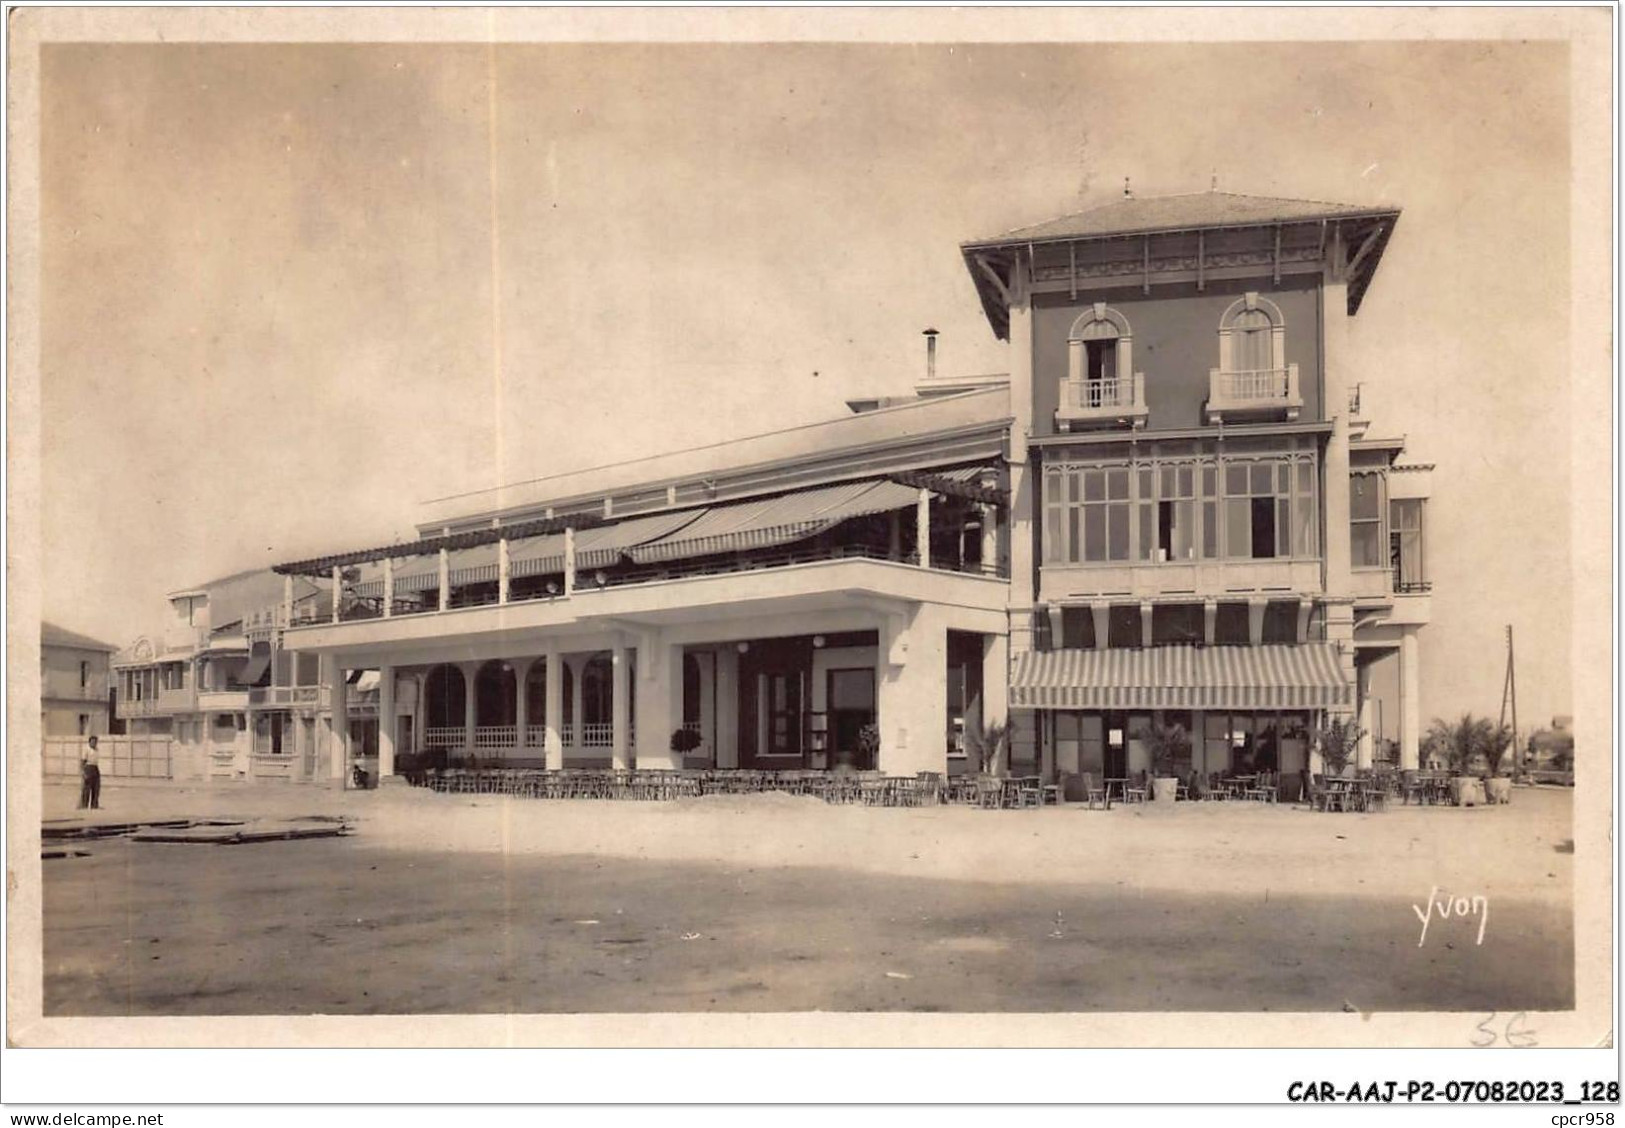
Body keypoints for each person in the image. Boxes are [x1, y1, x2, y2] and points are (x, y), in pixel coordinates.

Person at [79, 735, 101, 810]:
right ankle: (84, 805)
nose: (94, 743)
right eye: (92, 742)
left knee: (96, 787)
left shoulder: (97, 749)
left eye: (95, 742)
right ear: (89, 742)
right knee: (87, 788)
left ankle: (94, 805)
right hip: (88, 768)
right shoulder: (86, 749)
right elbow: (83, 761)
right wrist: (83, 772)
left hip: (95, 768)